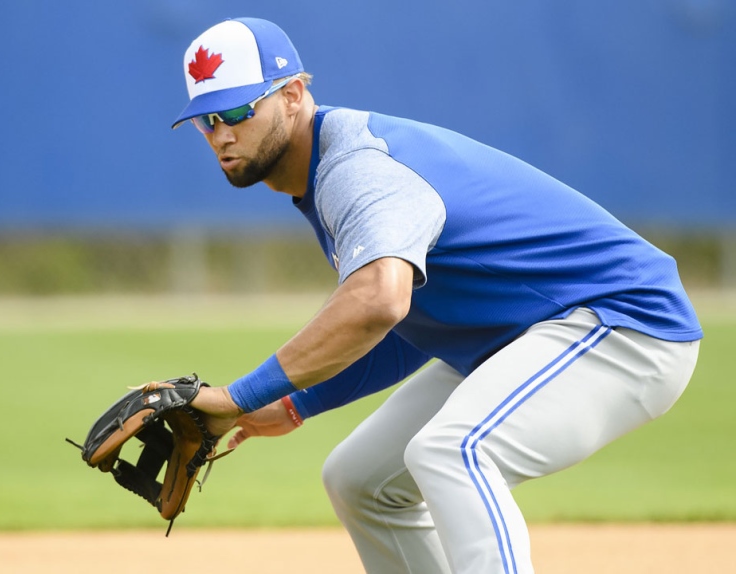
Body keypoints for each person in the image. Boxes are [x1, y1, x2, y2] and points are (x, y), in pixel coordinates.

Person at [174, 17, 703, 574]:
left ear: (293, 95)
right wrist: (293, 401)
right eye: (206, 120)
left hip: (623, 322)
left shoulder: (358, 169)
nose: (221, 134)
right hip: (528, 333)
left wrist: (238, 396)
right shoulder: (326, 173)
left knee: (455, 450)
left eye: (237, 111)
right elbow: (407, 324)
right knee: (360, 480)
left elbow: (378, 301)